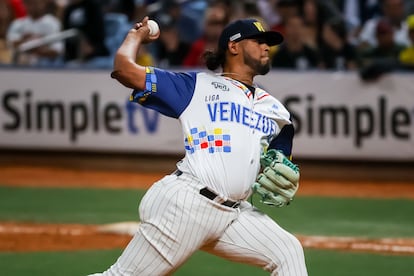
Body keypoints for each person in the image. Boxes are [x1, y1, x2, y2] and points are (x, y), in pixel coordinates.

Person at [88, 17, 308, 275]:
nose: (266, 47)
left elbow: (281, 154)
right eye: (258, 41)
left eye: (268, 43)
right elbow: (124, 69)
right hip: (187, 205)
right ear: (234, 47)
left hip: (234, 214)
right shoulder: (196, 86)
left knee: (287, 252)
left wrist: (284, 166)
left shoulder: (277, 112)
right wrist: (136, 36)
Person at [6, 0, 63, 65]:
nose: (33, 6)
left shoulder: (53, 23)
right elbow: (12, 45)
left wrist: (38, 45)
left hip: (46, 65)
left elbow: (57, 50)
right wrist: (25, 40)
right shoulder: (18, 23)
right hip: (22, 64)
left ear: (43, 3)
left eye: (37, 3)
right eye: (29, 3)